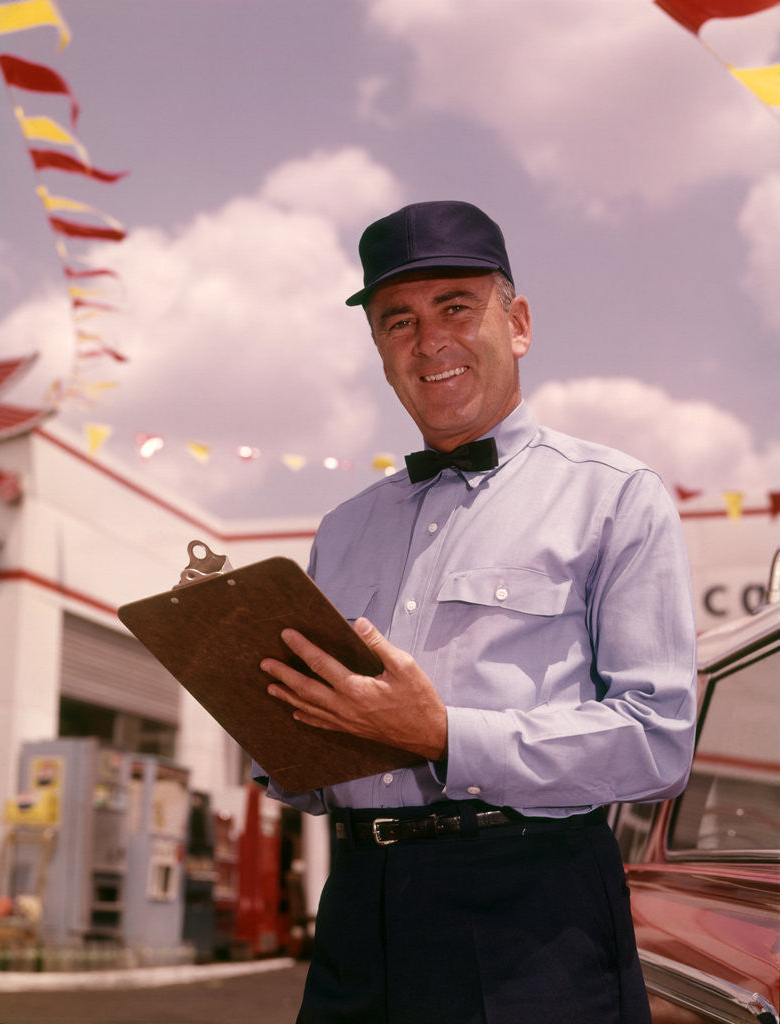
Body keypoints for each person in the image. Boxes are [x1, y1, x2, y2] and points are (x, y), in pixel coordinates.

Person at [258, 200, 697, 1024]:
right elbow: (321, 756)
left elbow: (657, 740)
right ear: (379, 351)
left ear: (517, 323)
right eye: (398, 321)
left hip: (530, 915)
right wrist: (281, 731)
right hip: (355, 913)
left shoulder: (615, 497)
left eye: (454, 307)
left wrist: (444, 735)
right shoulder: (341, 529)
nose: (428, 341)